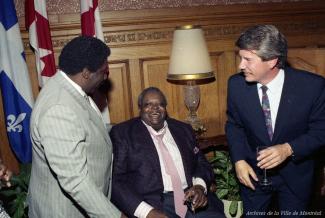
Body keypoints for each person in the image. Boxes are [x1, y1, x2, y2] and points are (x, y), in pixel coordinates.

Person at [225, 24, 325, 216]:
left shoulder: (313, 87)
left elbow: (321, 131)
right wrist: (238, 160)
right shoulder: (236, 85)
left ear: (272, 61)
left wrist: (288, 149)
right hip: (252, 175)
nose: (240, 65)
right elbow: (234, 125)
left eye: (248, 59)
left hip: (296, 177)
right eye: (241, 58)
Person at [27, 36, 121, 218]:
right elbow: (76, 181)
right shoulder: (59, 108)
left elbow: (84, 127)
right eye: (103, 72)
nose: (105, 76)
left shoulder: (70, 88)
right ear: (86, 73)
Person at [110, 87, 225, 218]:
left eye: (160, 104)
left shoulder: (183, 129)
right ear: (140, 108)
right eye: (148, 104)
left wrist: (199, 186)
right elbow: (116, 181)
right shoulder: (123, 133)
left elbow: (201, 163)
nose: (155, 108)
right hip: (155, 203)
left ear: (165, 108)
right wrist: (147, 212)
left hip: (192, 196)